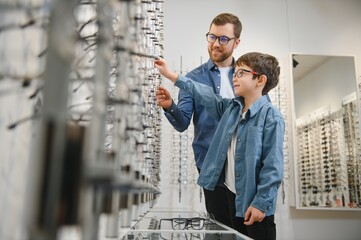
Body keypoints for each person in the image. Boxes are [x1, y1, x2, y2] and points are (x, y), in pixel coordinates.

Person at [154, 52, 284, 240]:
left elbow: (273, 167)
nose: (235, 77)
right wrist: (171, 75)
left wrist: (261, 203)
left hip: (254, 204)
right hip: (232, 198)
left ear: (260, 80)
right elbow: (203, 93)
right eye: (235, 73)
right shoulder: (231, 109)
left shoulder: (272, 117)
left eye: (241, 73)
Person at [155, 13, 241, 227]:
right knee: (219, 228)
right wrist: (170, 106)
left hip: (244, 164)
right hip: (211, 165)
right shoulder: (193, 78)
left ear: (236, 42)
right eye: (212, 37)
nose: (215, 44)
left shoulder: (247, 74)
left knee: (246, 228)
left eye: (223, 39)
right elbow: (182, 122)